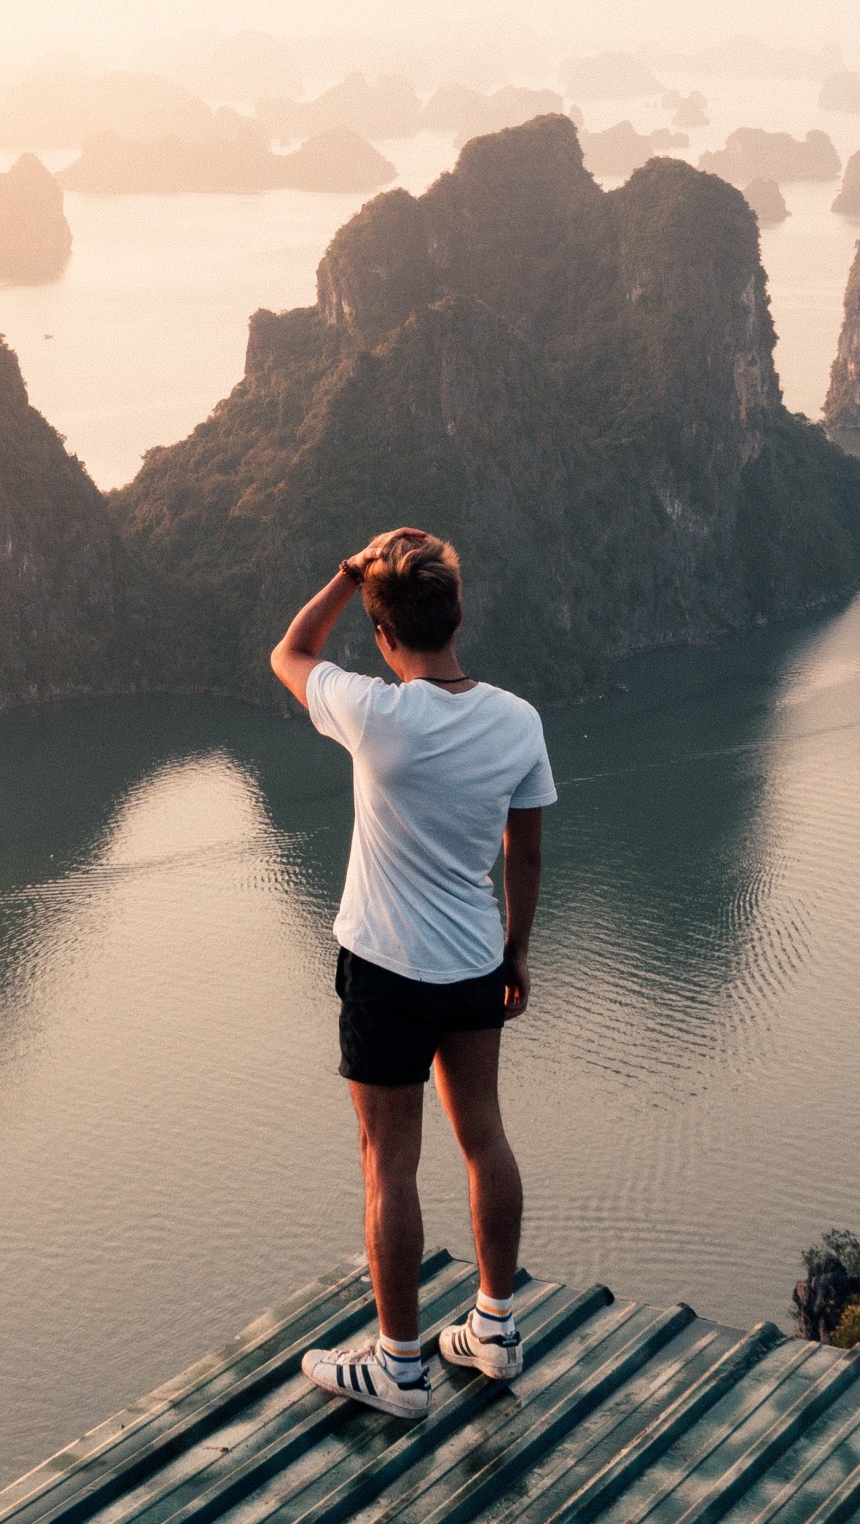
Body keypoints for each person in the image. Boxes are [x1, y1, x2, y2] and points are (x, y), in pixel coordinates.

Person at [270, 527, 556, 1423]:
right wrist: (514, 951)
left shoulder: (372, 714)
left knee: (388, 1162)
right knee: (485, 1137)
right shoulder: (517, 721)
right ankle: (496, 1330)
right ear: (457, 615)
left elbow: (289, 652)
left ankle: (396, 1367)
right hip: (475, 961)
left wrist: (345, 573)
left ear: (385, 634)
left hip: (384, 969)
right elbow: (526, 851)